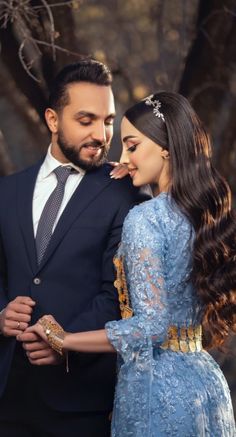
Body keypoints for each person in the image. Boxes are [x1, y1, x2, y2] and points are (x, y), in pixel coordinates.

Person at [26, 91, 236, 436]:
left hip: (157, 391)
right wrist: (134, 175)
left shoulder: (145, 219)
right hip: (205, 386)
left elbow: (152, 327)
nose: (123, 157)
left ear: (165, 148)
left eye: (132, 146)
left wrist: (64, 338)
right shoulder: (202, 214)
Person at [0, 60, 149, 437]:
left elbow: (117, 296)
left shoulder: (125, 195)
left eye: (108, 121)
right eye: (86, 120)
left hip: (80, 402)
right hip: (7, 395)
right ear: (53, 119)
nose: (101, 134)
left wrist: (65, 344)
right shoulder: (7, 191)